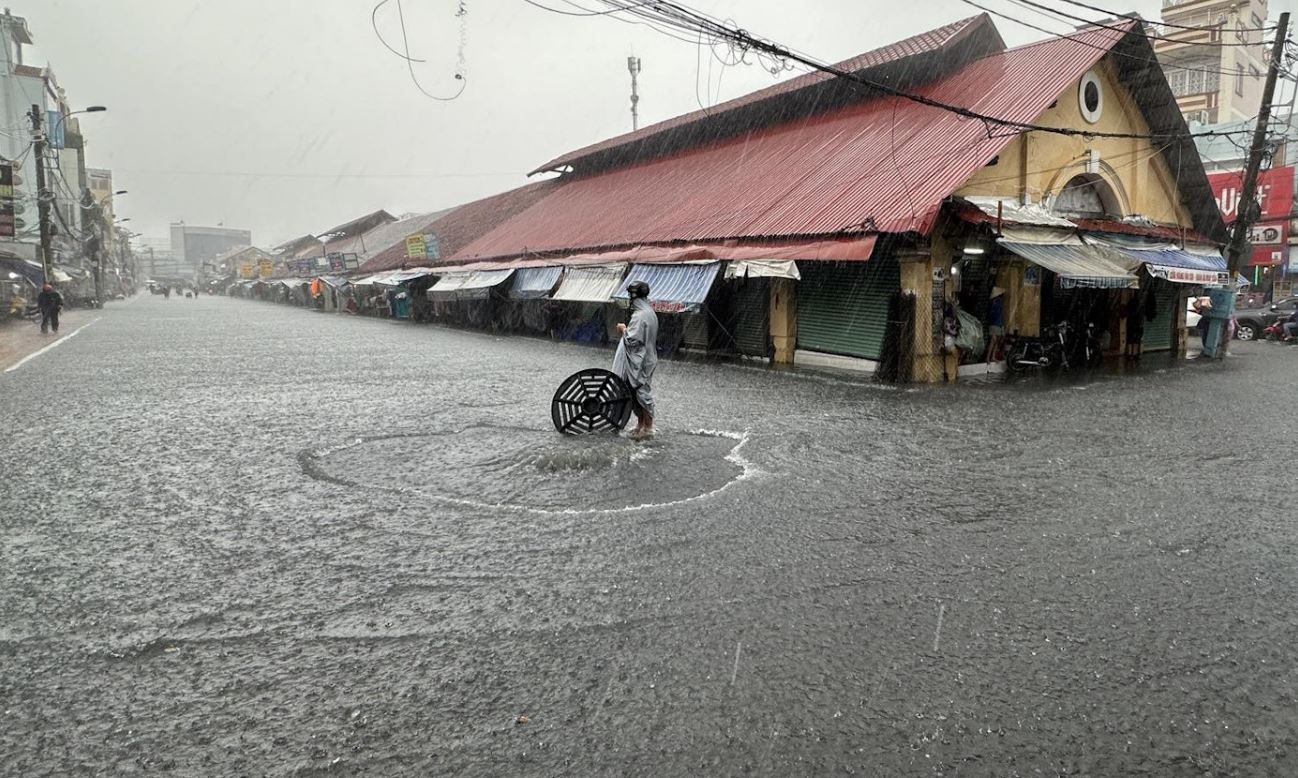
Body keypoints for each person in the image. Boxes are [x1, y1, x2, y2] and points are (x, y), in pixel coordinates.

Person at [612, 280, 659, 440]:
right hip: (644, 358)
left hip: (641, 360)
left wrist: (623, 329)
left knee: (641, 391)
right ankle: (641, 424)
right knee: (633, 391)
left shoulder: (640, 316)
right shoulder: (649, 312)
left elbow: (632, 340)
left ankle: (648, 426)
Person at [987, 287, 1005, 361]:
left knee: (995, 341)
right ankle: (989, 357)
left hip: (997, 323)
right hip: (996, 323)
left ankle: (991, 357)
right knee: (994, 341)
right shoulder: (996, 302)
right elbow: (995, 314)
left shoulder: (994, 302)